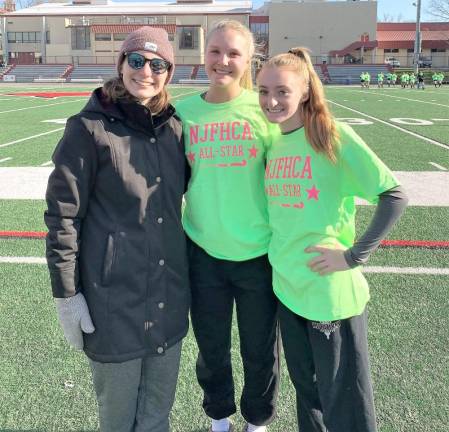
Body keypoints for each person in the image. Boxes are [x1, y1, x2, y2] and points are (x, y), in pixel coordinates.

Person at [45, 27, 190, 432]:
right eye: (137, 61)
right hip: (113, 305)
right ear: (121, 64)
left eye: (158, 64)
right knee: (118, 419)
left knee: (157, 415)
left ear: (168, 72)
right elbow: (62, 217)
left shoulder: (175, 129)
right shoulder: (88, 129)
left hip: (167, 300)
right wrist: (66, 295)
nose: (146, 72)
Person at [257, 48, 408, 432]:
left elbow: (393, 196)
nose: (271, 101)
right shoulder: (274, 142)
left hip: (328, 293)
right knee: (308, 394)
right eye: (263, 91)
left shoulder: (331, 136)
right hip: (287, 288)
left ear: (305, 91)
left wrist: (354, 256)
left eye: (282, 91)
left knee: (345, 401)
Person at [175, 19, 280, 432]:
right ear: (204, 55)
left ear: (249, 58)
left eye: (234, 53)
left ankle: (257, 421)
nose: (223, 61)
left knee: (259, 350)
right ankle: (219, 418)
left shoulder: (265, 109)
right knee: (212, 348)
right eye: (215, 51)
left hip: (259, 254)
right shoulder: (182, 111)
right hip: (203, 254)